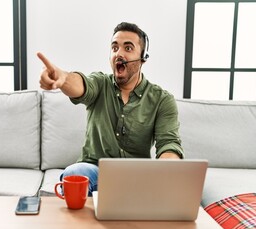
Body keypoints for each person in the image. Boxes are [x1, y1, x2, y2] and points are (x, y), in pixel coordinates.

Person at [38, 22, 184, 195]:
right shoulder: (100, 84)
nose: (119, 53)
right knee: (74, 174)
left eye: (128, 48)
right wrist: (63, 77)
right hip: (95, 172)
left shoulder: (162, 100)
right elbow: (82, 85)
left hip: (137, 176)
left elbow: (168, 143)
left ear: (143, 57)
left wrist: (166, 169)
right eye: (114, 48)